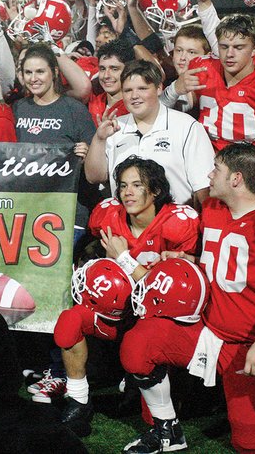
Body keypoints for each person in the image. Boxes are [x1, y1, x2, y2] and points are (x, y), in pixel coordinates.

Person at [119, 143, 255, 454]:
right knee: (138, 343)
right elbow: (222, 259)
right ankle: (166, 430)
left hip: (245, 344)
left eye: (217, 170)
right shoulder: (213, 210)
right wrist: (186, 257)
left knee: (249, 444)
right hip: (205, 330)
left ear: (237, 179)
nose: (210, 175)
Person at [48, 157, 200, 435]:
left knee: (152, 419)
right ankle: (79, 401)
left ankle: (154, 399)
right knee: (70, 321)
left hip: (158, 319)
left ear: (155, 190)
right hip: (118, 312)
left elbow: (172, 294)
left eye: (137, 185)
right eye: (122, 185)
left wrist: (126, 260)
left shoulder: (177, 224)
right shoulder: (108, 216)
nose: (127, 192)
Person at [85, 60, 214, 210]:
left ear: (159, 88)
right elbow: (94, 178)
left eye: (142, 88)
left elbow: (204, 188)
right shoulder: (112, 128)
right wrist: (99, 140)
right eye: (128, 90)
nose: (134, 96)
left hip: (174, 226)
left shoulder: (187, 126)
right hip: (125, 227)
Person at [184, 14, 255, 195]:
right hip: (207, 171)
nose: (229, 54)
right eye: (224, 47)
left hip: (250, 176)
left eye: (239, 47)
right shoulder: (203, 68)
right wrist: (174, 89)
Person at [13, 43, 96, 244]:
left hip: (67, 213)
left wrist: (88, 155)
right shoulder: (17, 109)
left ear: (55, 72)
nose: (34, 78)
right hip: (26, 211)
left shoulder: (74, 110)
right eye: (28, 72)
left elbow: (98, 165)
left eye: (40, 71)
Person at [159, 25, 211, 112]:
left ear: (207, 56)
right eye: (179, 50)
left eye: (191, 52)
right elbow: (153, 117)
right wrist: (174, 90)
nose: (182, 57)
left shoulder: (218, 84)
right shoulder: (168, 84)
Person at [87, 38, 135, 122]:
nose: (106, 75)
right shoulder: (92, 100)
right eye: (102, 69)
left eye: (114, 69)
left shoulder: (136, 107)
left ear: (129, 70)